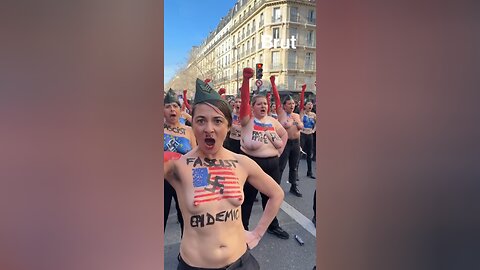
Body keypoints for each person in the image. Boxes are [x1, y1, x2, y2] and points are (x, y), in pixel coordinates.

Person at [164, 78, 284, 269]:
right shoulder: (177, 166)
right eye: (201, 121)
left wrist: (257, 233)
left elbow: (277, 193)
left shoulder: (242, 163)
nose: (209, 129)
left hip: (241, 262)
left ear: (228, 127)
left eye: (217, 121)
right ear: (192, 125)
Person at [239, 68, 289, 240]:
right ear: (252, 107)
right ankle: (241, 229)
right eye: (259, 104)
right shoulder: (247, 121)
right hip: (253, 165)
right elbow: (244, 100)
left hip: (272, 164)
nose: (263, 106)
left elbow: (284, 134)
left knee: (271, 197)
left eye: (265, 104)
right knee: (247, 199)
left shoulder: (273, 121)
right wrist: (246, 80)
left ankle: (272, 225)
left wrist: (279, 153)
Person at [164, 89, 197, 237]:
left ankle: (186, 254)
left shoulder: (189, 130)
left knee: (186, 218)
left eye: (175, 106)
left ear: (180, 110)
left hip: (183, 180)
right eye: (168, 106)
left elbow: (197, 156)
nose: (172, 109)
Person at [270, 76, 304, 197]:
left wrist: (298, 123)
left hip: (296, 142)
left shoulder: (296, 115)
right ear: (284, 106)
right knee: (280, 167)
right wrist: (273, 84)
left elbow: (301, 125)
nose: (292, 105)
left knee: (294, 167)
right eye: (289, 103)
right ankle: (275, 188)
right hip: (285, 143)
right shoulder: (281, 113)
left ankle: (293, 186)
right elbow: (277, 98)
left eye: (293, 103)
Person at [299, 84, 316, 179]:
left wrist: (314, 130)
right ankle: (295, 173)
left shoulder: (314, 114)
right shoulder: (302, 112)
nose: (310, 105)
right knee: (300, 153)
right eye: (308, 104)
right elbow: (301, 101)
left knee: (309, 154)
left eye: (311, 104)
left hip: (310, 135)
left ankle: (309, 172)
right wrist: (303, 90)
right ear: (305, 106)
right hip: (302, 135)